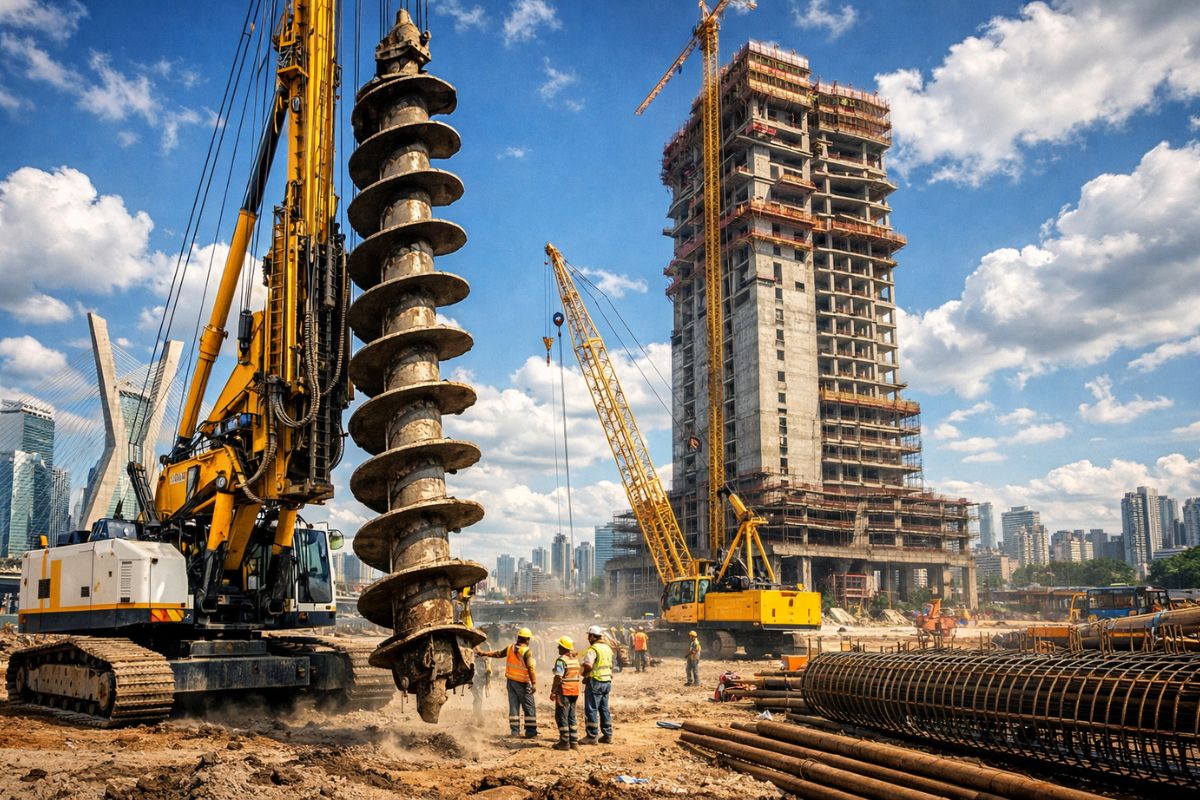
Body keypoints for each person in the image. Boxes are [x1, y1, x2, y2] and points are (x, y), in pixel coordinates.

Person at [476, 626, 538, 738]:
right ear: (527, 639)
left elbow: (498, 654)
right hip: (523, 683)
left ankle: (514, 732)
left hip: (511, 682)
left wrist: (483, 653)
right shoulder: (526, 651)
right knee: (529, 707)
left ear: (518, 637)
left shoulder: (510, 647)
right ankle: (530, 732)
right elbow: (531, 668)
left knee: (513, 707)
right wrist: (533, 683)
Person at [579, 624, 614, 745]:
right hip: (607, 681)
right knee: (604, 708)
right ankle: (607, 735)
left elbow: (588, 665)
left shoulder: (593, 649)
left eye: (589, 636)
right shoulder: (607, 648)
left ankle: (592, 736)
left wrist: (584, 673)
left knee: (591, 709)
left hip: (595, 681)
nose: (588, 638)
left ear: (594, 636)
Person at [550, 636, 582, 750]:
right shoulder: (575, 659)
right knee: (571, 716)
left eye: (560, 645)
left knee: (561, 716)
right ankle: (574, 742)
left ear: (564, 648)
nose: (558, 647)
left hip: (564, 691)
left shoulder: (561, 660)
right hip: (575, 691)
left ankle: (564, 742)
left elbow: (558, 677)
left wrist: (553, 691)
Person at [471, 644, 491, 724]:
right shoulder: (485, 646)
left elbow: (488, 664)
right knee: (478, 697)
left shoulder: (485, 646)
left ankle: (476, 715)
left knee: (477, 697)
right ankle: (478, 716)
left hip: (479, 675)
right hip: (476, 676)